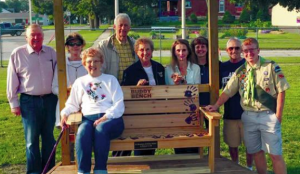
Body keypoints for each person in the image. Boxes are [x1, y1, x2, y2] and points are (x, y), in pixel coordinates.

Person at [206, 38, 289, 174]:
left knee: (275, 154)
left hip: (267, 115)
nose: (249, 53)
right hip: (248, 116)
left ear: (258, 50)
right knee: (256, 152)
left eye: (252, 50)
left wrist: (278, 116)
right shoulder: (241, 71)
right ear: (243, 53)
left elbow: (281, 91)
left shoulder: (270, 66)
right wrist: (215, 106)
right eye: (246, 51)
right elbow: (227, 91)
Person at [60, 48, 125, 174]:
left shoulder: (110, 80)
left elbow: (118, 105)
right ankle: (83, 171)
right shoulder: (80, 82)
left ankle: (100, 170)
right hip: (88, 119)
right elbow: (72, 104)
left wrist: (105, 117)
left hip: (111, 119)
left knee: (101, 129)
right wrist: (64, 114)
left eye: (96, 61)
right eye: (89, 62)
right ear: (84, 64)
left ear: (101, 62)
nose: (93, 65)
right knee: (83, 131)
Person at [6, 24, 58, 174]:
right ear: (26, 37)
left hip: (50, 100)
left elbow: (57, 75)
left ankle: (49, 170)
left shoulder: (51, 53)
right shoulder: (18, 54)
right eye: (32, 35)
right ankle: (34, 172)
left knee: (49, 138)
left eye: (39, 35)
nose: (36, 38)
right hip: (29, 102)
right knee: (31, 140)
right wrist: (13, 103)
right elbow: (12, 80)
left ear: (43, 36)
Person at [121, 37, 165, 156]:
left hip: (157, 111)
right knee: (138, 145)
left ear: (152, 51)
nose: (145, 53)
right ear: (136, 52)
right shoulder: (130, 71)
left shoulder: (159, 67)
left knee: (150, 145)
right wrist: (136, 88)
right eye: (141, 50)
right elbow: (124, 94)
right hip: (138, 112)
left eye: (147, 49)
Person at [220, 38, 253, 170]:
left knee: (250, 145)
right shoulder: (222, 67)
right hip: (230, 113)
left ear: (242, 50)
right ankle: (236, 167)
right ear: (227, 50)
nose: (234, 51)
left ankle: (249, 168)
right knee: (232, 145)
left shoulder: (249, 65)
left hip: (248, 113)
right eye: (231, 48)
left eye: (237, 48)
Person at [165, 39, 200, 154]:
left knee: (193, 144)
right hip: (176, 109)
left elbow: (197, 90)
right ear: (174, 52)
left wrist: (184, 83)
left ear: (189, 51)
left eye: (184, 50)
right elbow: (167, 93)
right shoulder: (168, 69)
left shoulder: (196, 68)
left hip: (192, 110)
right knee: (179, 144)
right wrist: (175, 85)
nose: (181, 53)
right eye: (178, 50)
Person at [52, 32, 87, 128]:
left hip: (85, 107)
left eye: (78, 44)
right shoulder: (61, 65)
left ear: (82, 45)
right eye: (71, 44)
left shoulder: (88, 64)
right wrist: (66, 91)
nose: (75, 46)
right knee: (66, 138)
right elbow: (54, 87)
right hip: (65, 105)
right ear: (67, 47)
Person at [98, 13, 138, 82]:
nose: (123, 28)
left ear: (129, 28)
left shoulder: (136, 45)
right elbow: (99, 69)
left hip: (132, 88)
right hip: (112, 88)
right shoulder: (104, 46)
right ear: (114, 27)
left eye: (126, 25)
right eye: (120, 25)